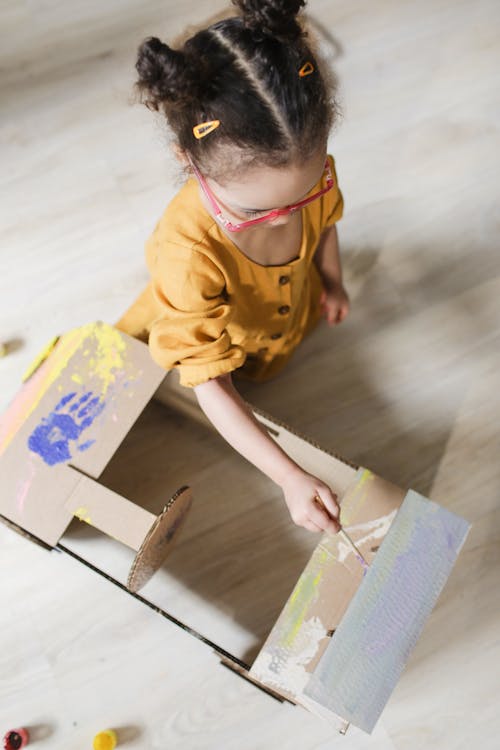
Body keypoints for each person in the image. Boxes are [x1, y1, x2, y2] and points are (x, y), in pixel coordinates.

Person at [115, 0, 350, 536]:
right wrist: (288, 476)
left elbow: (327, 224)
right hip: (225, 352)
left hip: (284, 325)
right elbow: (208, 381)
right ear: (187, 160)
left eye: (303, 194)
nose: (280, 219)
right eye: (253, 210)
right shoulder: (188, 250)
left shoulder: (308, 175)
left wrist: (332, 280)